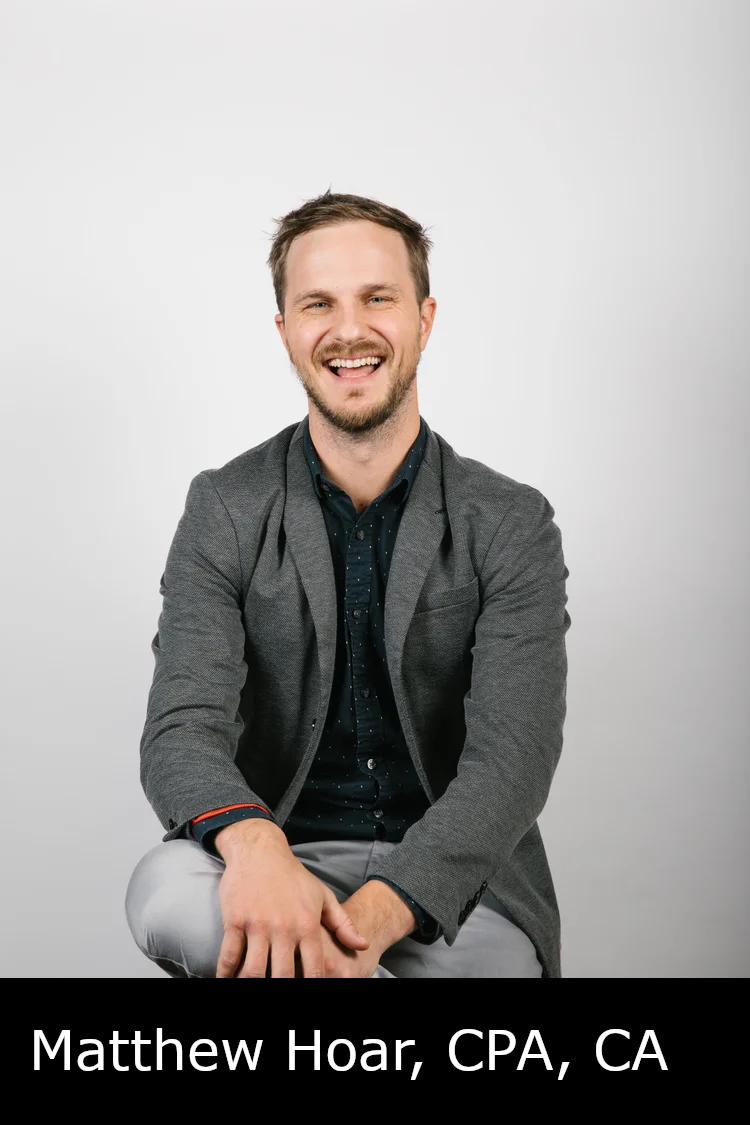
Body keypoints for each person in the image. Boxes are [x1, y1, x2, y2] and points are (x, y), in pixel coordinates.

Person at [125, 190, 571, 979]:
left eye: (378, 298)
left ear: (424, 319)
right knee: (164, 890)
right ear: (287, 332)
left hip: (453, 899)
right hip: (277, 870)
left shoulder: (511, 522)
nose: (349, 328)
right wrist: (257, 847)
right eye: (318, 303)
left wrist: (364, 925)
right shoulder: (223, 507)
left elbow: (513, 762)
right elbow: (180, 731)